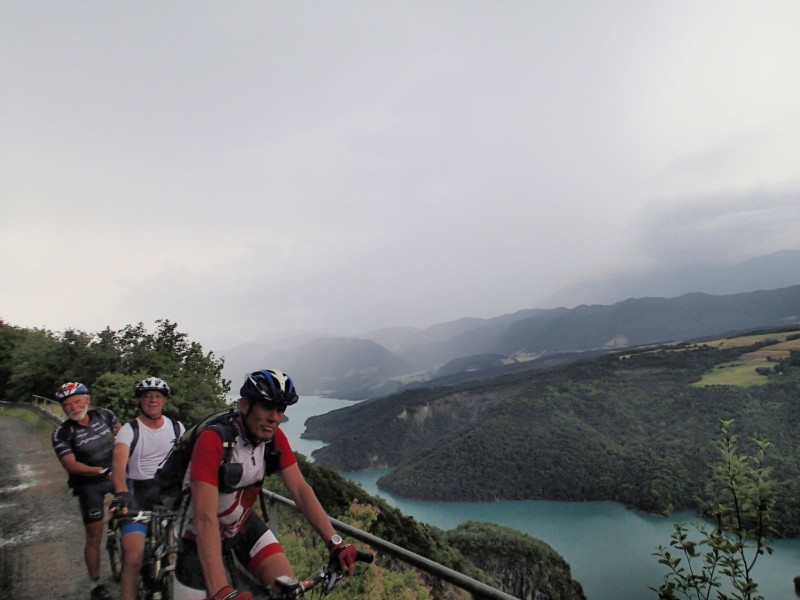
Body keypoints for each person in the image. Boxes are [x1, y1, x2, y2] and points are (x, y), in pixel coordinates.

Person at [173, 369, 360, 600]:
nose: (275, 417)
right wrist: (221, 590)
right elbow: (204, 517)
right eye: (266, 407)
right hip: (197, 536)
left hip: (242, 526)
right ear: (245, 405)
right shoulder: (213, 441)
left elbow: (301, 491)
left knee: (290, 591)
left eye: (280, 410)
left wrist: (335, 542)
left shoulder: (275, 440)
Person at [110, 376, 185, 600]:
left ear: (164, 400)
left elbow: (188, 461)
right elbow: (118, 465)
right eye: (147, 396)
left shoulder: (176, 427)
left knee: (186, 550)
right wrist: (122, 494)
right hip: (137, 496)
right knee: (133, 558)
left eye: (158, 396)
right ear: (139, 401)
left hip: (169, 494)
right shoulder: (129, 430)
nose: (153, 400)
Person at [52, 381, 120, 600]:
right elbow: (70, 465)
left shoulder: (106, 415)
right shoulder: (62, 433)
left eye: (77, 401)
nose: (73, 407)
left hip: (116, 474)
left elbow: (125, 438)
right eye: (67, 404)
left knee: (136, 516)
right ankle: (95, 584)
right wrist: (101, 472)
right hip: (89, 484)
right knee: (94, 535)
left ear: (87, 400)